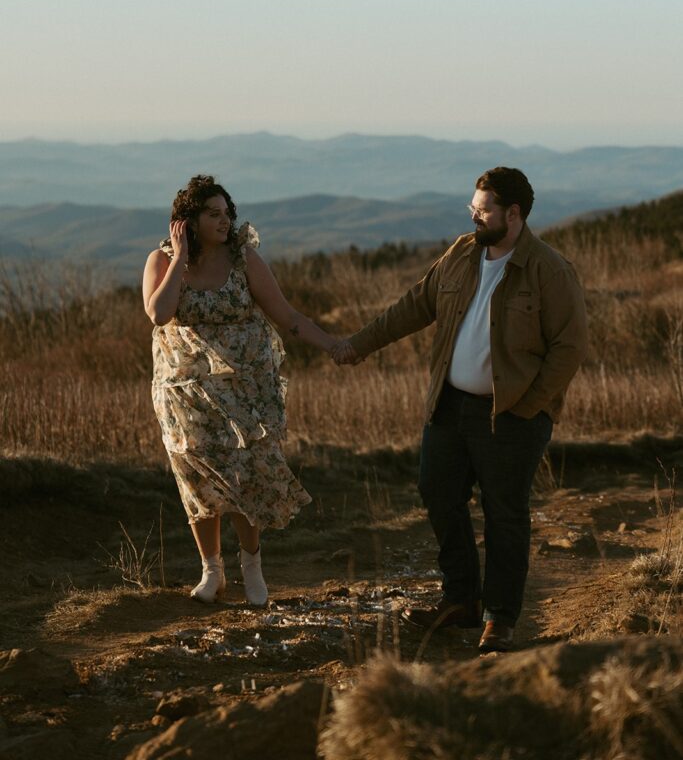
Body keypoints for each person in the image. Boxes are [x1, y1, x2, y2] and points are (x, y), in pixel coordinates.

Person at [332, 167, 588, 652]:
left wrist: (530, 407)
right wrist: (357, 345)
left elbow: (569, 348)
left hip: (511, 415)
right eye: (474, 206)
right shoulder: (461, 254)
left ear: (513, 214)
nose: (474, 214)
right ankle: (461, 599)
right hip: (449, 407)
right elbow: (412, 306)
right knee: (437, 491)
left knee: (504, 514)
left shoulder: (549, 270)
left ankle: (501, 617)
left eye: (484, 208)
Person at [143, 175, 339, 606]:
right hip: (184, 394)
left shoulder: (244, 258)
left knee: (243, 477)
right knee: (196, 479)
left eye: (226, 212)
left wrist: (333, 345)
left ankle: (252, 569)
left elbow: (286, 315)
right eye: (212, 213)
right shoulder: (160, 259)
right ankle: (212, 571)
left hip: (245, 391)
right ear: (187, 221)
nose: (224, 220)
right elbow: (159, 313)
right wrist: (179, 258)